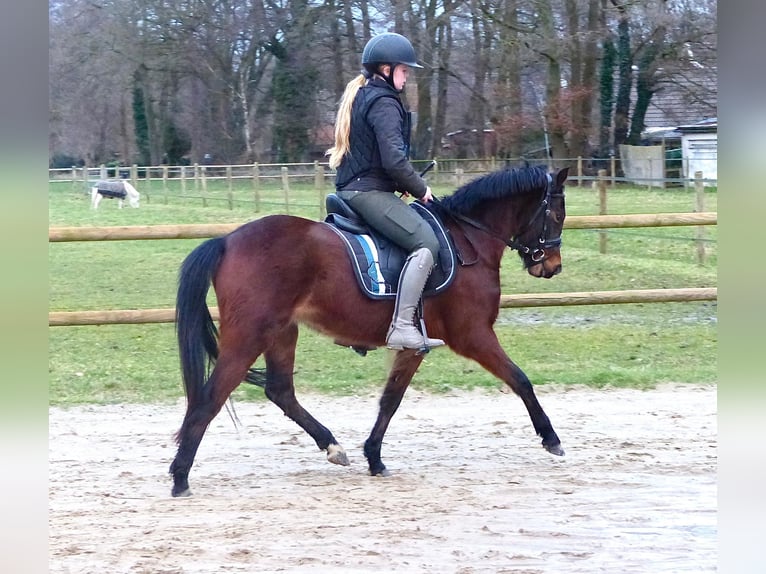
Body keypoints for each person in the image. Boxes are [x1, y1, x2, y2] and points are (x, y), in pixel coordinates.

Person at [327, 32, 444, 351]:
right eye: (404, 71)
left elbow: (376, 158)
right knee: (426, 242)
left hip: (354, 190)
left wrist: (394, 186)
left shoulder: (363, 95)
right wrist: (421, 190)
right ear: (385, 69)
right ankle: (402, 327)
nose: (407, 77)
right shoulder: (384, 102)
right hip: (367, 193)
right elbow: (394, 160)